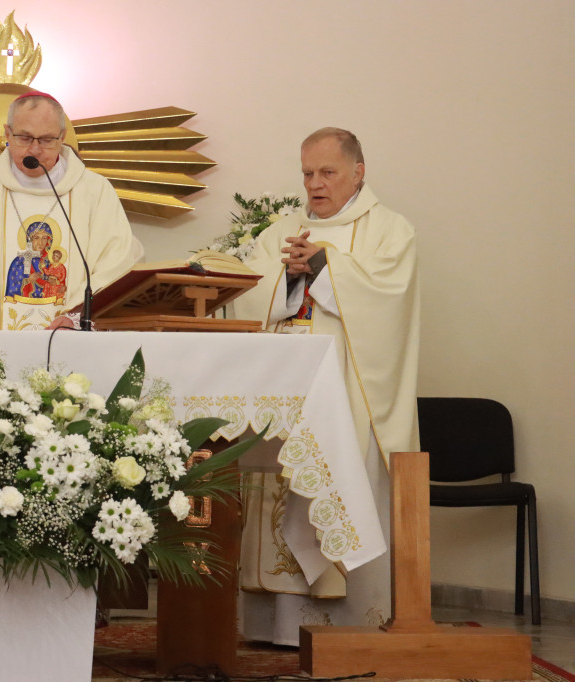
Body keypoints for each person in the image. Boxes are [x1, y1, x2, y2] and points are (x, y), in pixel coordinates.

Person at [233, 127, 420, 646]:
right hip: (283, 392)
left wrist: (322, 265)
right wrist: (286, 278)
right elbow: (245, 292)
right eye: (308, 173)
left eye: (328, 172)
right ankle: (277, 627)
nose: (315, 184)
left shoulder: (389, 230)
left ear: (359, 172)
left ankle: (349, 624)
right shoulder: (281, 230)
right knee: (278, 488)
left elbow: (391, 303)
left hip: (347, 395)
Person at [0, 91, 140, 331]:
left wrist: (78, 317)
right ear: (7, 133)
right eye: (24, 138)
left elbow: (117, 261)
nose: (34, 149)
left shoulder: (94, 191)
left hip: (70, 343)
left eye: (46, 139)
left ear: (62, 137)